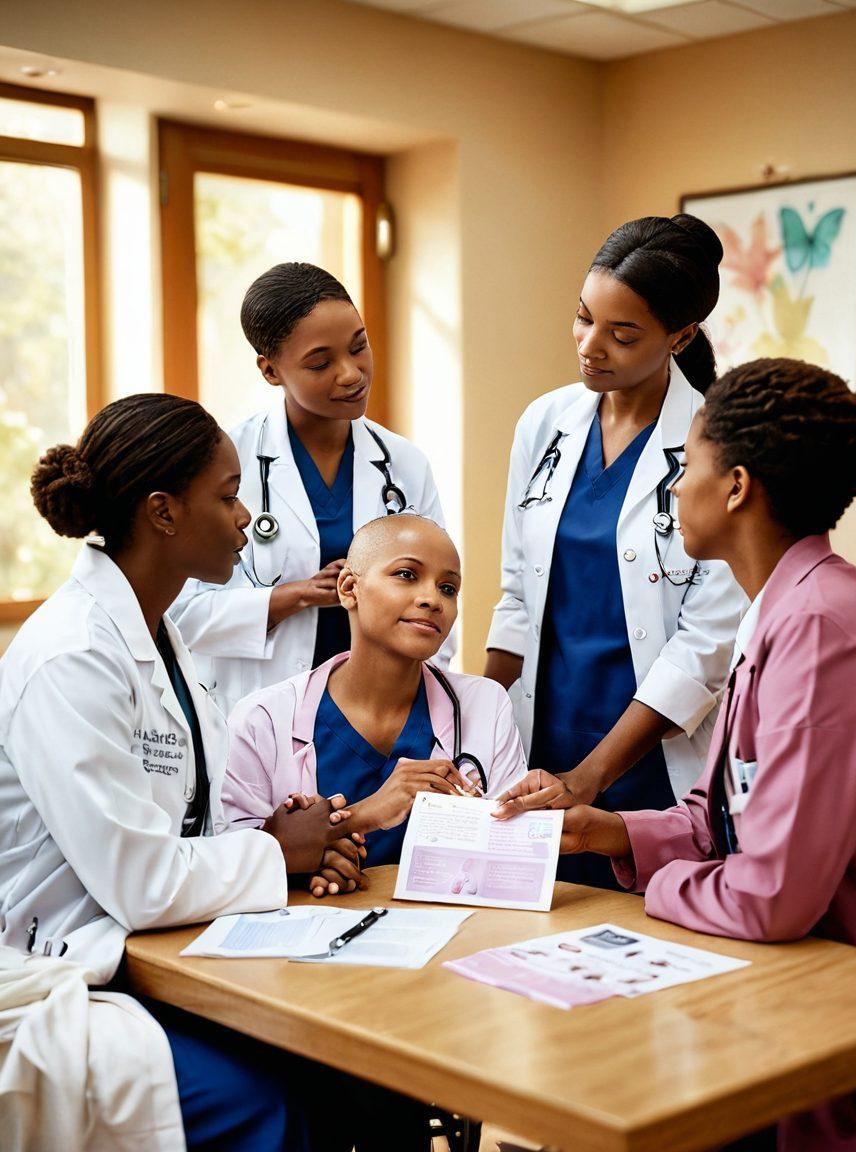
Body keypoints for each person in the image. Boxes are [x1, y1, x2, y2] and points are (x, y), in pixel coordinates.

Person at [498, 358, 856, 1152]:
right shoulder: (781, 610)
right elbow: (736, 820)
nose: (675, 488)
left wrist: (652, 892)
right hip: (790, 981)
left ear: (738, 486)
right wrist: (607, 832)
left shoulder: (821, 628)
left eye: (688, 465)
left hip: (846, 1010)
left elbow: (772, 892)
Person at [0, 393, 366, 1151]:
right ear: (163, 513)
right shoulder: (74, 656)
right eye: (227, 496)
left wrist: (282, 837)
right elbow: (139, 880)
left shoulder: (161, 637)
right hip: (58, 971)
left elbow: (177, 825)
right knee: (262, 1106)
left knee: (345, 1073)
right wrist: (276, 852)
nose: (245, 518)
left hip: (147, 953)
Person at [484, 215, 745, 887]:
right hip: (539, 744)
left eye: (622, 333)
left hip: (652, 757)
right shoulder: (545, 422)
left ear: (681, 337)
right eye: (583, 319)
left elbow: (704, 645)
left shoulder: (715, 446)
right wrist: (471, 721)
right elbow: (518, 588)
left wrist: (589, 777)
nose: (590, 347)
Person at [172, 263, 454, 717]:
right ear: (270, 371)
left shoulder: (402, 465)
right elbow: (180, 616)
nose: (351, 374)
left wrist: (424, 710)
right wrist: (296, 596)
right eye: (321, 363)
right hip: (258, 714)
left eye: (359, 347)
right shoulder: (225, 462)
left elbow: (437, 595)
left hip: (380, 714)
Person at [225, 513, 528, 882]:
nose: (433, 599)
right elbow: (232, 866)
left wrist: (322, 842)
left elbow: (512, 860)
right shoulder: (263, 718)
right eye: (406, 575)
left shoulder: (485, 704)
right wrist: (350, 827)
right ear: (349, 588)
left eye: (448, 588)